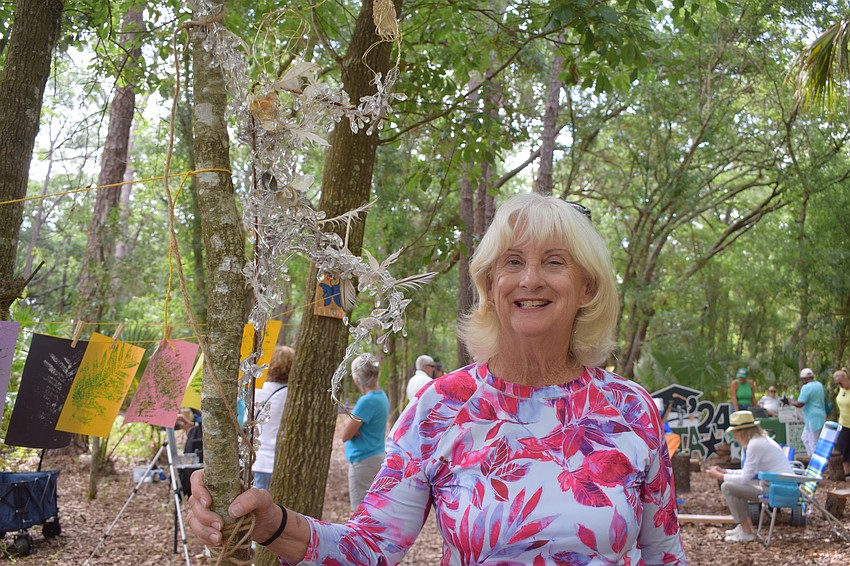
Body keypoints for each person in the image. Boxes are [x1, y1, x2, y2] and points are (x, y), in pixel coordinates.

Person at [186, 193, 687, 564]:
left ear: (587, 287)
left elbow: (665, 555)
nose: (530, 279)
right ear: (490, 284)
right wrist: (273, 524)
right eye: (513, 262)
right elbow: (368, 547)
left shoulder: (629, 409)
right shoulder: (442, 407)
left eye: (554, 262)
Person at [706, 411, 793, 543]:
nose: (734, 435)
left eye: (735, 431)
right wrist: (725, 471)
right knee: (732, 486)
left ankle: (746, 531)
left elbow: (745, 478)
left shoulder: (755, 445)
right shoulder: (760, 440)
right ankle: (744, 527)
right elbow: (747, 472)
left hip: (777, 490)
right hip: (778, 485)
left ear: (742, 431)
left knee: (727, 487)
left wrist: (720, 476)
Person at [341, 353, 389, 510]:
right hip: (375, 455)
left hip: (363, 461)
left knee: (360, 512)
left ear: (357, 378)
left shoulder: (366, 401)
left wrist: (353, 427)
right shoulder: (381, 396)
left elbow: (345, 435)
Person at [252, 345, 294, 491]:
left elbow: (246, 421)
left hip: (259, 459)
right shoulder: (292, 395)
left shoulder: (256, 390)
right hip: (283, 459)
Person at [788, 367, 827, 457]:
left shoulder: (806, 387)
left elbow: (800, 404)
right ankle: (810, 457)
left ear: (805, 379)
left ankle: (815, 464)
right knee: (805, 438)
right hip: (821, 415)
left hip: (812, 417)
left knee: (813, 441)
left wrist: (790, 401)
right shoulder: (819, 385)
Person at [833, 368, 850, 480]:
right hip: (843, 423)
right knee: (843, 448)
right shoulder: (841, 389)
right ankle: (846, 473)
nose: (840, 385)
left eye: (841, 382)